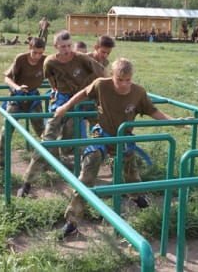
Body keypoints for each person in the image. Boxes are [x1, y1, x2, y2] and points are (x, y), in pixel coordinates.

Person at [54, 57, 179, 238]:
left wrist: (174, 122)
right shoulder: (101, 85)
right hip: (101, 137)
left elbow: (153, 111)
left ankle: (136, 197)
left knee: (131, 175)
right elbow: (83, 93)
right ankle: (72, 221)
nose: (123, 84)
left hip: (123, 139)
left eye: (127, 80)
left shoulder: (138, 92)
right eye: (119, 80)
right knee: (86, 176)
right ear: (112, 75)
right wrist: (65, 106)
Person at [16, 30, 104, 198]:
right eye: (63, 46)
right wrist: (56, 91)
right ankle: (27, 182)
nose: (67, 49)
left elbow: (102, 75)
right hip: (62, 101)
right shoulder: (50, 62)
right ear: (56, 46)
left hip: (83, 101)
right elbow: (50, 78)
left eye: (69, 45)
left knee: (106, 128)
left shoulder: (82, 59)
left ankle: (121, 173)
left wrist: (96, 94)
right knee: (48, 138)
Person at [0, 37, 47, 167]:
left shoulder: (45, 60)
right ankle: (0, 162)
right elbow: (7, 78)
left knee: (43, 131)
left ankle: (49, 160)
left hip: (33, 98)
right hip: (17, 97)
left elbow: (55, 75)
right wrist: (17, 87)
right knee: (6, 130)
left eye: (40, 53)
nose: (37, 56)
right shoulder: (21, 59)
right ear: (29, 49)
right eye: (34, 52)